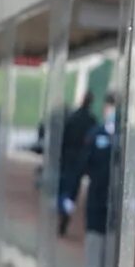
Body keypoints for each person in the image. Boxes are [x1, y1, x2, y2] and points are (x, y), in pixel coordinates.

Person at [79, 94, 116, 267]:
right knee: (94, 242)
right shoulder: (95, 134)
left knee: (111, 244)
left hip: (114, 202)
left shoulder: (123, 137)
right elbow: (83, 163)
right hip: (96, 197)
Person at [57, 92, 97, 236]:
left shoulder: (72, 118)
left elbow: (64, 138)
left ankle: (62, 210)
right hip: (80, 162)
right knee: (73, 191)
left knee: (64, 188)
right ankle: (65, 214)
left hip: (68, 159)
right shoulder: (91, 121)